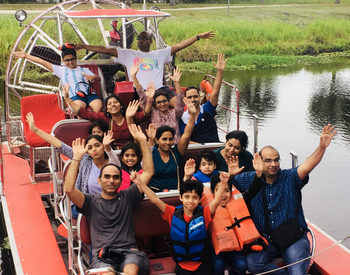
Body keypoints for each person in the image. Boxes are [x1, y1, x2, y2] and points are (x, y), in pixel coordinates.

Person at [232, 124, 337, 274]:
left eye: (276, 160)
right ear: (259, 161)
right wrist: (231, 175)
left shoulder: (290, 177)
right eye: (268, 160)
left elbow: (308, 165)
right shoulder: (248, 179)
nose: (274, 164)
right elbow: (223, 191)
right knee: (253, 264)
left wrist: (322, 147)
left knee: (297, 271)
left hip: (293, 238)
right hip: (265, 239)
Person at [64, 124, 154, 275]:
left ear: (120, 181)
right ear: (99, 181)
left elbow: (149, 171)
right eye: (107, 177)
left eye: (115, 177)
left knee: (131, 271)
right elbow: (69, 189)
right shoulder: (90, 201)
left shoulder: (127, 196)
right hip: (102, 255)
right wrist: (76, 158)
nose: (111, 181)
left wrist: (143, 142)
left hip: (129, 253)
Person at [74, 30, 215, 107]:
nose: (140, 41)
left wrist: (197, 37)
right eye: (139, 39)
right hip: (139, 90)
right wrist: (84, 47)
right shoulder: (128, 54)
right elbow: (105, 49)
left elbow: (180, 45)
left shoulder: (160, 53)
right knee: (142, 109)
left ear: (150, 41)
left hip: (160, 89)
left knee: (179, 105)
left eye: (144, 38)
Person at [132, 169, 229, 275]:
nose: (191, 201)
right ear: (181, 198)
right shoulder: (171, 212)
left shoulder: (205, 213)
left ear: (200, 199)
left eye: (195, 197)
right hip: (182, 267)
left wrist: (224, 182)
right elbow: (155, 199)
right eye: (187, 197)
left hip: (202, 265)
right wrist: (140, 183)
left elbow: (216, 201)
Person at [26, 112, 121, 218]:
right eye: (89, 147)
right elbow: (59, 144)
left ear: (103, 147)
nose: (94, 149)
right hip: (87, 206)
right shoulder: (85, 159)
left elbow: (115, 161)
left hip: (110, 204)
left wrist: (108, 147)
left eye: (97, 145)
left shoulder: (112, 165)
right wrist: (35, 129)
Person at [209, 152, 264, 275]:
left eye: (227, 191)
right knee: (218, 265)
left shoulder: (237, 200)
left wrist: (259, 174)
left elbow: (253, 190)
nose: (223, 194)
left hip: (233, 245)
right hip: (213, 247)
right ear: (212, 192)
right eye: (219, 190)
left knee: (241, 264)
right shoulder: (207, 207)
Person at [13, 46, 103, 112]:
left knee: (98, 106)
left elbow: (98, 79)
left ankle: (97, 128)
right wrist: (26, 55)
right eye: (67, 60)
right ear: (63, 60)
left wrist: (93, 77)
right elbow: (42, 62)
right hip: (75, 96)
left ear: (76, 58)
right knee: (79, 109)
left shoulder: (84, 69)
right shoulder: (61, 70)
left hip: (90, 94)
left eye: (73, 59)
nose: (71, 62)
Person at [63, 84, 149, 149]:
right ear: (107, 109)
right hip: (114, 153)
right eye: (109, 104)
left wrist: (150, 99)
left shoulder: (130, 114)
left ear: (121, 106)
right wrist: (67, 99)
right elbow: (84, 113)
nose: (113, 105)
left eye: (115, 102)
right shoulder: (104, 117)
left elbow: (146, 114)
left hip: (133, 151)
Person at [148, 97, 196, 191]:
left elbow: (186, 135)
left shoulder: (176, 152)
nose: (168, 142)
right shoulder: (152, 151)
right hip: (154, 192)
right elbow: (146, 148)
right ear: (157, 140)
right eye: (164, 139)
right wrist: (150, 139)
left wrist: (193, 115)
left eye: (170, 139)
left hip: (175, 192)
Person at [179, 53, 228, 144]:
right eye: (189, 97)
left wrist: (219, 71)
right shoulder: (183, 118)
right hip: (196, 150)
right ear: (185, 99)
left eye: (195, 96)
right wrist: (202, 147)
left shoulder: (207, 108)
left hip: (214, 147)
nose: (193, 99)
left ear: (200, 97)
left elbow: (216, 92)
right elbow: (184, 139)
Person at [131, 64, 185, 144]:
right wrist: (134, 77)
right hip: (158, 148)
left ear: (168, 102)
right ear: (155, 105)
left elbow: (180, 102)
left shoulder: (175, 113)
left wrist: (177, 83)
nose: (162, 104)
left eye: (164, 101)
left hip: (175, 147)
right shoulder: (154, 113)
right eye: (159, 102)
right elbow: (142, 96)